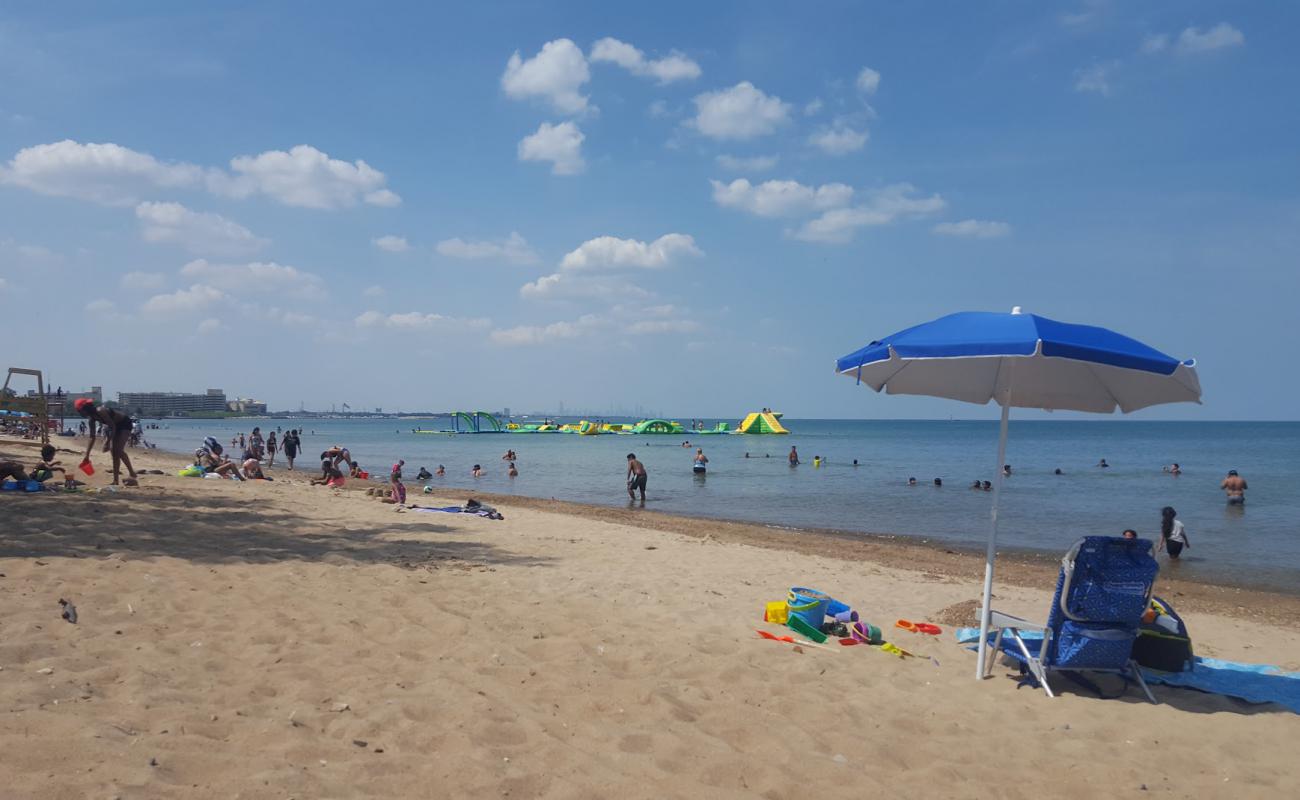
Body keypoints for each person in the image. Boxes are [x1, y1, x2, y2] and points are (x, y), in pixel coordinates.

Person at [74, 399, 138, 486]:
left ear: (85, 408)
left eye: (80, 411)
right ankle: (115, 481)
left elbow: (113, 427)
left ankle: (131, 472)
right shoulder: (91, 420)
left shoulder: (100, 411)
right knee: (114, 452)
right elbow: (92, 437)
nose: (80, 414)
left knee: (117, 450)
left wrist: (107, 442)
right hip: (114, 426)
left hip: (124, 423)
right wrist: (87, 455)